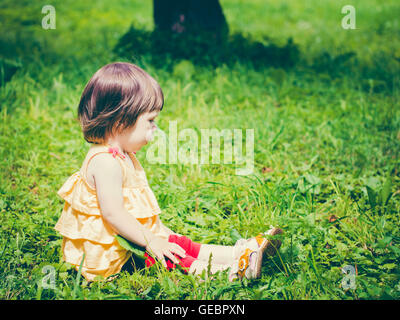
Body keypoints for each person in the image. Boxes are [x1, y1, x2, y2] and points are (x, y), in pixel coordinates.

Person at [54, 62, 283, 282]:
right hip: (113, 254)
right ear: (121, 122)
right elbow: (113, 214)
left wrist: (159, 235)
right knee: (169, 255)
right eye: (151, 121)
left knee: (177, 243)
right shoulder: (105, 162)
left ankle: (241, 252)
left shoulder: (120, 155)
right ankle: (232, 272)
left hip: (124, 238)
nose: (155, 128)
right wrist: (151, 239)